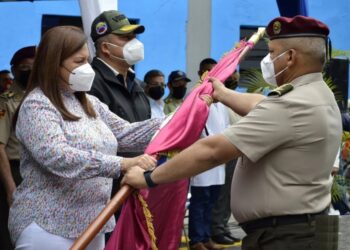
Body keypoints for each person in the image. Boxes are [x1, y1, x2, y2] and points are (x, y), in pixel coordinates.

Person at [123, 15, 342, 250]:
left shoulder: (292, 105)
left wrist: (149, 178)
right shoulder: (317, 93)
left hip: (285, 236)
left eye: (271, 52)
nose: (268, 60)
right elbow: (261, 104)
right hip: (301, 228)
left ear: (289, 57)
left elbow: (213, 151)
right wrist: (222, 93)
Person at [8, 26, 161, 250]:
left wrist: (178, 119)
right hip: (48, 226)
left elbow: (127, 134)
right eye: (78, 62)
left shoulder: (88, 103)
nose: (87, 69)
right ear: (53, 63)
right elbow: (57, 156)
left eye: (87, 61)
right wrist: (123, 164)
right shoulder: (37, 104)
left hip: (92, 223)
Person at [89, 10, 151, 226]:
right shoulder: (91, 83)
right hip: (106, 193)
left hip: (137, 185)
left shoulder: (137, 84)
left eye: (134, 37)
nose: (134, 43)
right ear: (105, 47)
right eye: (125, 38)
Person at [0, 46, 35, 250]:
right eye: (24, 68)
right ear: (14, 71)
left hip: (38, 172)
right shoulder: (6, 103)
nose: (30, 72)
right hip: (15, 171)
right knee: (12, 230)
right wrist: (10, 187)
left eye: (34, 67)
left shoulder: (46, 98)